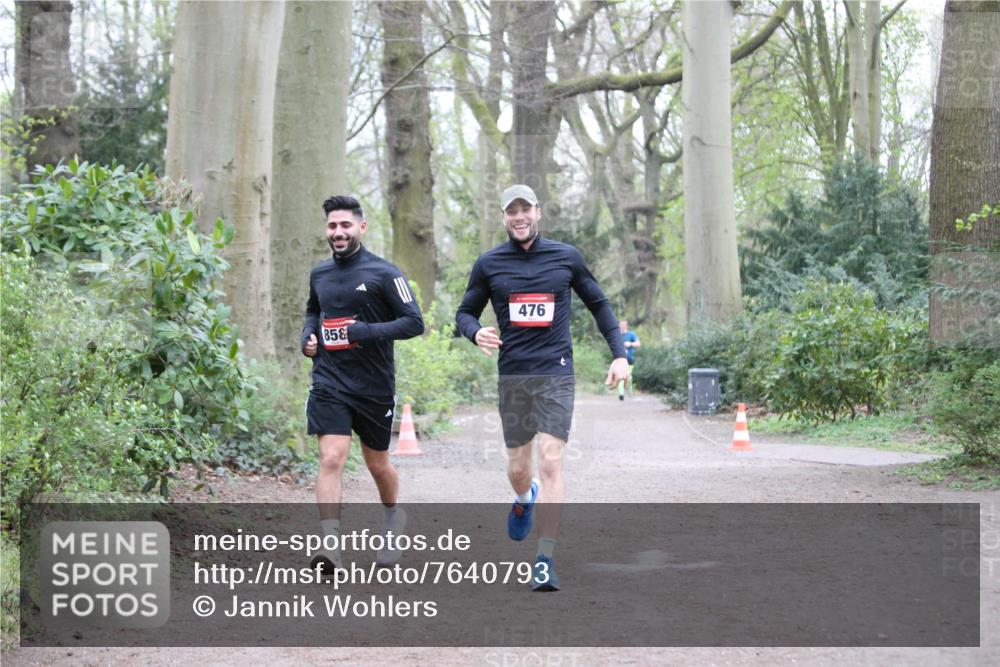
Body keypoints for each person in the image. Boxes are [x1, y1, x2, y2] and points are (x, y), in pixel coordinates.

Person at [455, 184, 629, 591]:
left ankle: (545, 558)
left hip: (556, 373)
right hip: (513, 376)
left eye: (525, 209)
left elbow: (599, 304)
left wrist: (620, 355)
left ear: (538, 212)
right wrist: (475, 331)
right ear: (504, 217)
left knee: (551, 464)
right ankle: (524, 498)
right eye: (511, 211)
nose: (519, 217)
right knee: (520, 469)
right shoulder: (489, 263)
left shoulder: (566, 257)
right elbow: (464, 312)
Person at [301, 195, 424, 572]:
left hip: (373, 385)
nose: (338, 232)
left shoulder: (385, 273)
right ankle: (330, 547)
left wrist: (365, 331)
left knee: (377, 464)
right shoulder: (320, 274)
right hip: (329, 380)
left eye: (345, 225)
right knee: (331, 457)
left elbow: (414, 322)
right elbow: (314, 310)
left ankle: (392, 518)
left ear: (361, 227)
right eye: (332, 226)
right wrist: (308, 336)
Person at [617, 319, 640, 400]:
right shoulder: (617, 335)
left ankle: (629, 390)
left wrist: (630, 344)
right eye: (621, 325)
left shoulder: (631, 334)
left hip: (629, 359)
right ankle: (621, 394)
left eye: (624, 325)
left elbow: (638, 343)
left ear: (626, 326)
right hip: (619, 359)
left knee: (628, 376)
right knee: (620, 376)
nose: (622, 326)